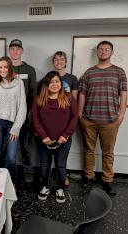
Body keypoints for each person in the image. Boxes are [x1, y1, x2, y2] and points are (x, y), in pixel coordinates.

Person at [78, 41, 128, 196]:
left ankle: (107, 180)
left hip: (110, 121)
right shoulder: (88, 73)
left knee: (108, 152)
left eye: (107, 49)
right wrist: (80, 115)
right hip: (89, 120)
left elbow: (124, 94)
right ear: (97, 52)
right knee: (89, 150)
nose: (103, 51)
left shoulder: (119, 72)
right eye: (101, 49)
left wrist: (121, 116)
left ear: (111, 53)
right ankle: (89, 176)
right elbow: (82, 94)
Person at [32, 71, 78, 203]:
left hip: (63, 140)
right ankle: (45, 187)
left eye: (57, 81)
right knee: (45, 165)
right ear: (46, 84)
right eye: (51, 81)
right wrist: (44, 136)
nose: (54, 84)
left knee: (60, 165)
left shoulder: (68, 98)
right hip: (43, 140)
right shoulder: (39, 99)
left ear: (61, 84)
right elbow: (35, 119)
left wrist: (66, 135)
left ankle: (59, 188)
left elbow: (74, 118)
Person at [0, 56, 27, 184]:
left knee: (11, 156)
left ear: (10, 68)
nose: (3, 69)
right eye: (0, 67)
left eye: (5, 66)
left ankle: (11, 183)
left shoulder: (19, 83)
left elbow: (22, 106)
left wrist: (16, 128)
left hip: (12, 124)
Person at [8, 39, 37, 180]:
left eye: (18, 49)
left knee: (25, 145)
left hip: (24, 115)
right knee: (7, 145)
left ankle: (28, 170)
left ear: (22, 51)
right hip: (7, 115)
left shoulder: (30, 70)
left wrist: (27, 112)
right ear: (9, 51)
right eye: (12, 49)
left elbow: (33, 93)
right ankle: (7, 171)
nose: (15, 51)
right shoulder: (4, 68)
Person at [52, 50, 79, 186]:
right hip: (51, 120)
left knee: (62, 152)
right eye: (56, 59)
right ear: (53, 62)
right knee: (48, 150)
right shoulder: (49, 77)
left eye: (61, 59)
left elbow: (74, 100)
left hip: (66, 120)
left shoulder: (72, 79)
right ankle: (47, 175)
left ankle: (62, 176)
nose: (59, 62)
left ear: (66, 62)